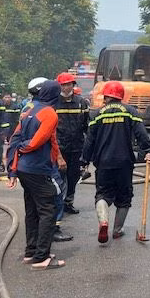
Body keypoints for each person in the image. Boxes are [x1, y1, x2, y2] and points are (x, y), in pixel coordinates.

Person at [81, 81, 150, 244]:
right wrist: (148, 151)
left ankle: (103, 221)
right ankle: (117, 230)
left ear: (106, 97)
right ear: (120, 97)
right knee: (124, 197)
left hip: (103, 162)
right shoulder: (130, 111)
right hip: (124, 162)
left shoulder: (96, 114)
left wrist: (84, 160)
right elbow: (141, 133)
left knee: (102, 194)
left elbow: (89, 140)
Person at [6, 80, 66, 270]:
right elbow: (40, 140)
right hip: (38, 168)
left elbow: (15, 138)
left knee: (32, 210)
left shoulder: (28, 110)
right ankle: (42, 257)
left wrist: (13, 167)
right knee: (48, 210)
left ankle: (31, 252)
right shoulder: (49, 113)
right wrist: (27, 148)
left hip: (24, 168)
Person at [55, 73, 88, 217]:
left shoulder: (81, 102)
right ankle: (59, 203)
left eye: (69, 84)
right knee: (59, 176)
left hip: (76, 146)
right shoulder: (54, 102)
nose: (67, 87)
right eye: (64, 84)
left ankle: (69, 202)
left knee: (73, 176)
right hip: (59, 147)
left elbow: (87, 126)